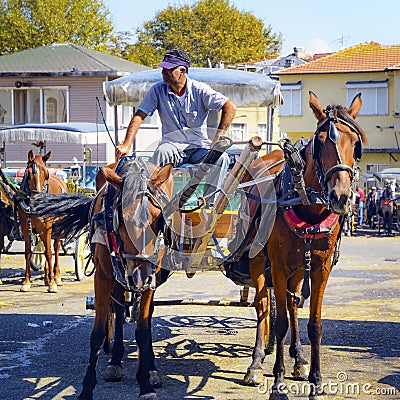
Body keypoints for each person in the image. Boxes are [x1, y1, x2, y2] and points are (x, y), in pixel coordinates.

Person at [115, 49, 237, 195]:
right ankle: (155, 200)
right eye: (163, 69)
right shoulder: (157, 90)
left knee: (221, 157)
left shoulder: (200, 90)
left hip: (198, 146)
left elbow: (230, 107)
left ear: (182, 71)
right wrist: (127, 144)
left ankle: (209, 203)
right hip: (172, 146)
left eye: (168, 70)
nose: (163, 73)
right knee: (161, 152)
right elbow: (139, 115)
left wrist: (217, 140)